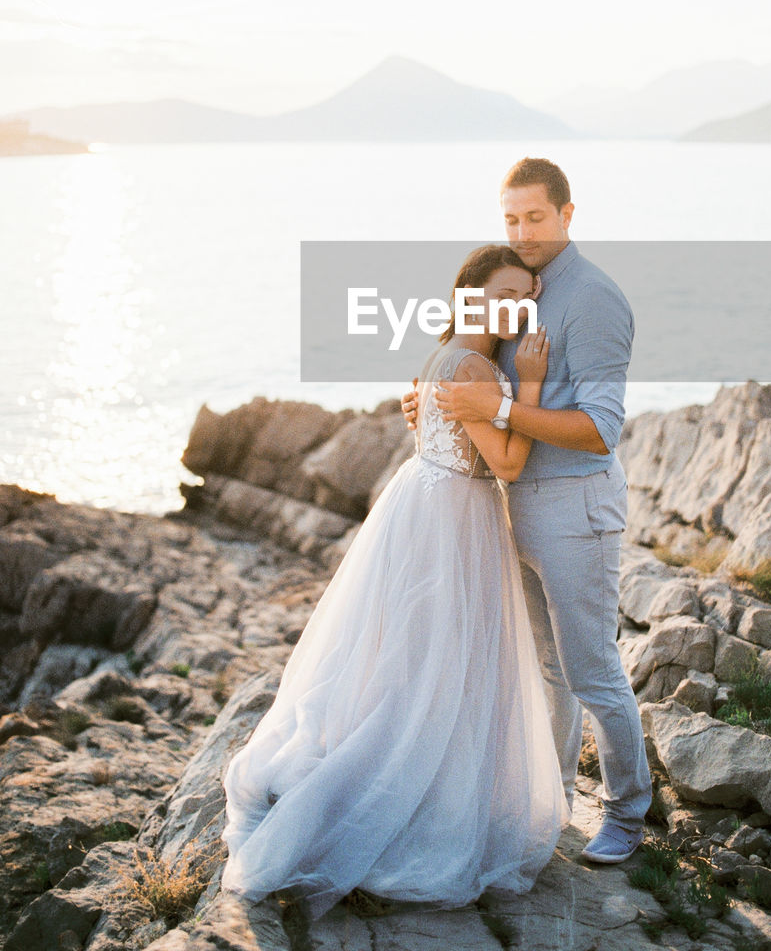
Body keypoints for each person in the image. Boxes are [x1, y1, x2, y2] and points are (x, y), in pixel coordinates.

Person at [220, 244, 571, 920]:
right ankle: (421, 797)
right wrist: (527, 389)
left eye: (523, 299)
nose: (515, 309)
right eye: (503, 294)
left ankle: (410, 775)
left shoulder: (441, 357)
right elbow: (508, 464)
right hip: (455, 517)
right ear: (467, 292)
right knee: (444, 662)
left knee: (405, 656)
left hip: (419, 502)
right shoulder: (478, 368)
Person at [402, 157, 652, 865]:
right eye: (511, 219)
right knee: (549, 672)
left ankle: (627, 816)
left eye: (536, 217)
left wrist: (500, 406)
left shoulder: (594, 299)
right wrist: (434, 402)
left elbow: (602, 427)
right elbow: (478, 373)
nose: (524, 231)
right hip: (515, 506)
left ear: (568, 214)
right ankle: (552, 802)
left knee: (593, 671)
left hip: (576, 507)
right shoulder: (523, 287)